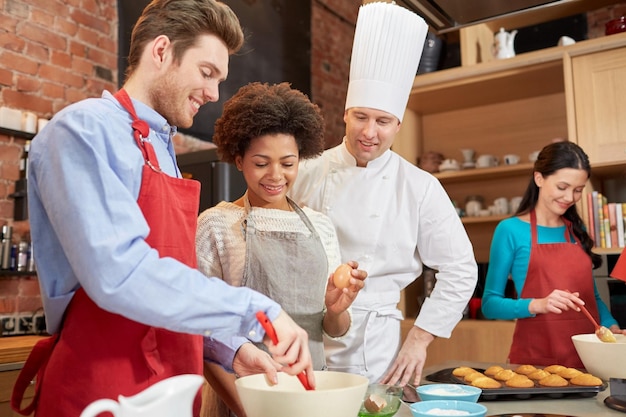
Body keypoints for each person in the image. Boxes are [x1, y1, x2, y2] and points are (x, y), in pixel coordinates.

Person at [11, 2, 313, 417]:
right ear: (161, 51)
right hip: (104, 388)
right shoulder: (82, 131)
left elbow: (172, 286)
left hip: (171, 385)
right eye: (207, 73)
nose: (213, 94)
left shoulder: (161, 148)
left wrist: (228, 348)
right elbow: (121, 273)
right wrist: (256, 310)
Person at [289, 2, 478, 387]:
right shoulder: (305, 170)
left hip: (376, 345)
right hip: (302, 333)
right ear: (345, 113)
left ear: (398, 125)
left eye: (383, 121)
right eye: (361, 116)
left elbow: (461, 269)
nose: (369, 132)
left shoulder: (420, 186)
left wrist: (420, 338)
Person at [196, 81, 366, 417]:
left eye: (288, 163)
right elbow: (198, 332)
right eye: (261, 163)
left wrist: (335, 309)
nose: (276, 175)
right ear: (239, 159)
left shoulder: (319, 226)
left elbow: (333, 330)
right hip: (238, 398)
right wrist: (248, 409)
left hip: (310, 396)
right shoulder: (215, 224)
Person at [481, 141, 626, 368]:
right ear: (539, 178)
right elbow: (489, 305)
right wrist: (538, 305)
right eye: (562, 187)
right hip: (536, 361)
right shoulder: (510, 230)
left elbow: (591, 299)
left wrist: (612, 327)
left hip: (588, 361)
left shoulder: (577, 231)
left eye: (578, 190)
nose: (570, 197)